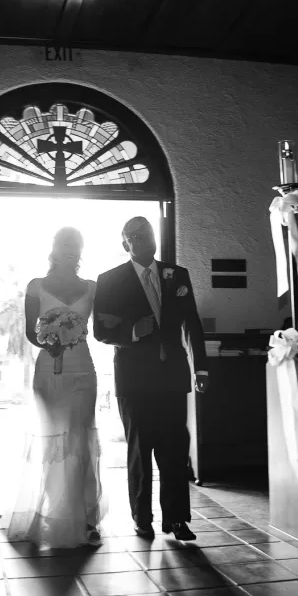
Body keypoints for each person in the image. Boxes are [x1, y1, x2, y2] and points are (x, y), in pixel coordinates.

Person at [93, 217, 209, 541]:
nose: (145, 238)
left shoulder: (177, 276)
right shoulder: (110, 280)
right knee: (141, 452)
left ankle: (177, 519)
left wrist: (201, 368)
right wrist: (132, 330)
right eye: (137, 235)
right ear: (125, 243)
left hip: (173, 376)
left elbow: (193, 325)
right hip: (135, 380)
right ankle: (142, 518)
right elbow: (100, 331)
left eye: (149, 233)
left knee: (175, 448)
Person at [3, 227, 107, 548]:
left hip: (82, 371)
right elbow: (31, 332)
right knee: (52, 441)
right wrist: (51, 341)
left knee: (79, 438)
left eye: (76, 245)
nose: (70, 250)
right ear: (55, 249)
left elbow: (100, 326)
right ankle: (49, 510)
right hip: (48, 368)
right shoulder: (36, 286)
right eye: (65, 245)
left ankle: (86, 517)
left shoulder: (93, 287)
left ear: (81, 250)